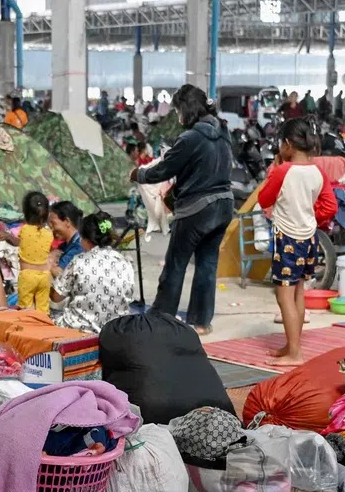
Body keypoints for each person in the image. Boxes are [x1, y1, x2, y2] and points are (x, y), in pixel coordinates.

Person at [134, 84, 233, 335]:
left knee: (175, 264)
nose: (177, 116)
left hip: (197, 209)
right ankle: (200, 322)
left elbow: (164, 170)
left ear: (186, 110)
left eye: (178, 110)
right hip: (224, 204)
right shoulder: (223, 130)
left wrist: (139, 174)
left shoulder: (189, 138)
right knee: (207, 265)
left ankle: (161, 318)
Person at [256, 117, 324, 367]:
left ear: (287, 144)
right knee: (298, 292)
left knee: (283, 295)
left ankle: (295, 352)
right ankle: (291, 345)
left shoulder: (284, 171)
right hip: (309, 236)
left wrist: (274, 170)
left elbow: (264, 200)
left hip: (287, 237)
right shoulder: (317, 171)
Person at [50, 212, 136, 334]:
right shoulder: (125, 262)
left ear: (85, 239)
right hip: (116, 330)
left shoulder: (79, 261)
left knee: (49, 314)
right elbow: (127, 296)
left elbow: (56, 297)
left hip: (79, 329)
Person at [1, 190, 53, 313]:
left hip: (28, 276)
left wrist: (7, 236)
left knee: (26, 309)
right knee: (43, 309)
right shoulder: (48, 234)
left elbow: (19, 243)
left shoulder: (24, 230)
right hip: (45, 277)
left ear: (25, 212)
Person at [48, 201, 84, 269]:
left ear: (67, 221)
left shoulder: (79, 247)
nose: (51, 229)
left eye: (53, 223)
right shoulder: (64, 246)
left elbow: (60, 272)